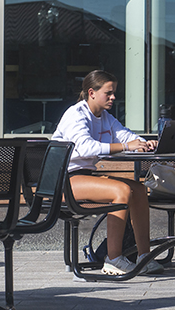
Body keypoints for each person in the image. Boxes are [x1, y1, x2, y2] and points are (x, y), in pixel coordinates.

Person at [52, 70, 164, 276]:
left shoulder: (105, 117)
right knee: (121, 190)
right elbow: (86, 148)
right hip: (62, 181)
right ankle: (113, 259)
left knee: (138, 189)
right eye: (108, 93)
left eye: (114, 93)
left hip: (83, 177)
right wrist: (124, 146)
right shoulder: (75, 115)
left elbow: (125, 135)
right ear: (91, 92)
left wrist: (143, 143)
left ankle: (143, 256)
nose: (113, 97)